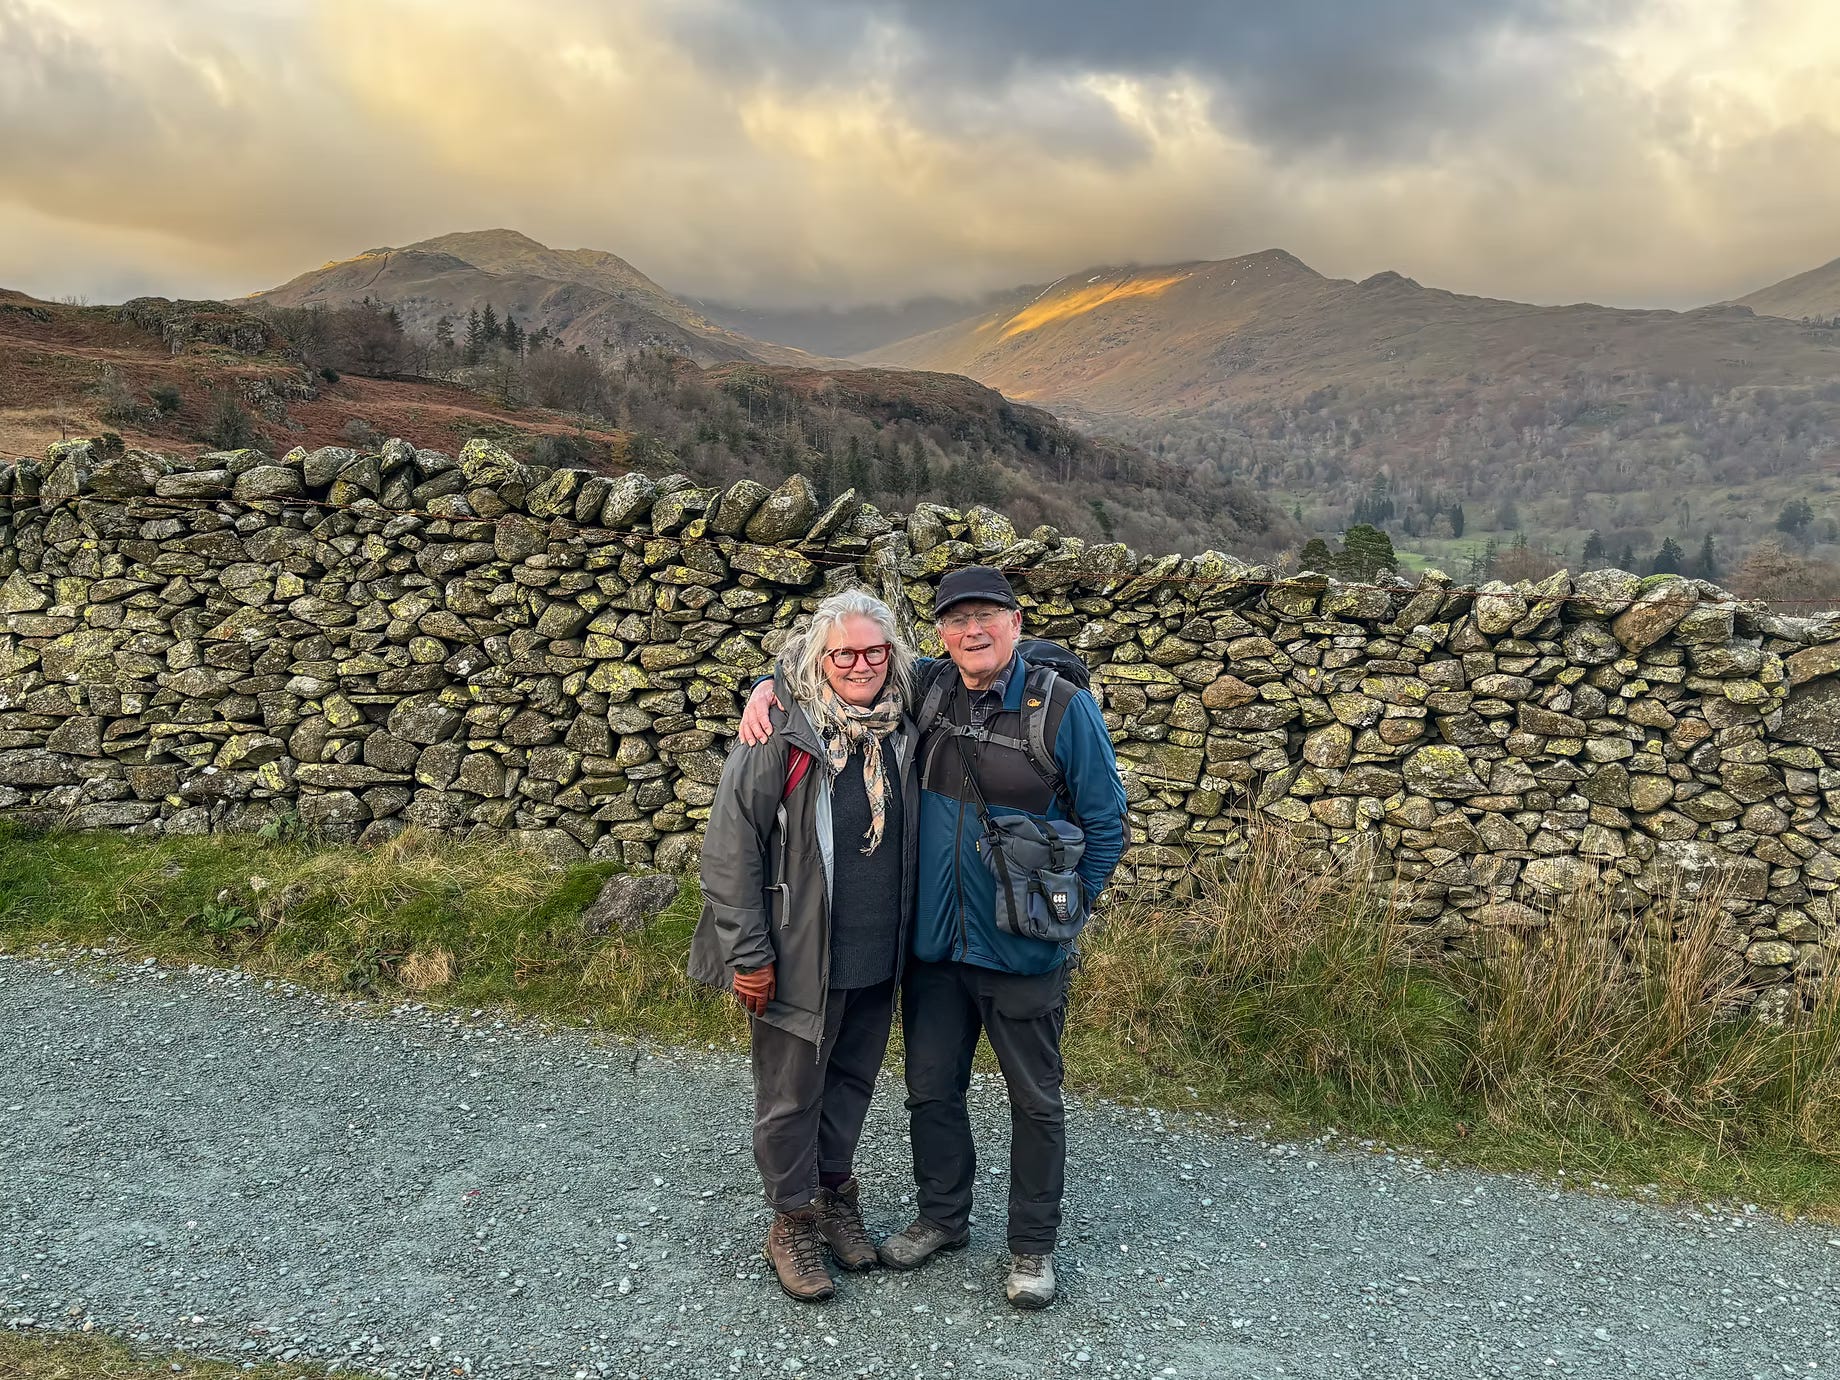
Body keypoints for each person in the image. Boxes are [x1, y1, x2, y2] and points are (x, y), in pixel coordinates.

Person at [738, 566, 1127, 1310]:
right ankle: (943, 1219)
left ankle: (1031, 1248)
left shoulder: (1061, 708)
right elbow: (842, 662)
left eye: (988, 617)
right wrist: (767, 686)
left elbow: (1107, 824)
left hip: (1022, 948)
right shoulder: (928, 685)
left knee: (1035, 1101)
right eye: (956, 620)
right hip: (937, 948)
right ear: (940, 635)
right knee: (931, 1091)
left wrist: (1065, 913)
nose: (972, 632)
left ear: (1016, 623)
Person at [690, 587, 921, 1304]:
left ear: (893, 655)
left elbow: (992, 660)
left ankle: (833, 1197)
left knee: (850, 1083)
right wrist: (748, 954)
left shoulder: (906, 721)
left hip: (879, 952)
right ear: (819, 658)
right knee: (791, 1095)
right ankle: (791, 1220)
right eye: (843, 653)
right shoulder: (780, 733)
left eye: (873, 650)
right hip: (795, 954)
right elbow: (729, 851)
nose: (860, 664)